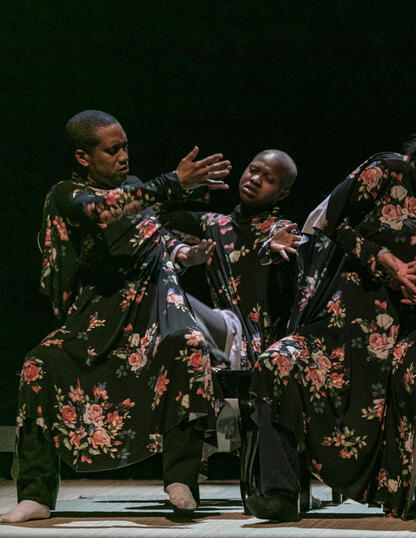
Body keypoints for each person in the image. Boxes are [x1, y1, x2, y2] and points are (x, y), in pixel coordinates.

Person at [250, 121, 416, 527]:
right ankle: (278, 492)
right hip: (347, 313)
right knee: (277, 361)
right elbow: (331, 223)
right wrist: (382, 259)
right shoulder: (385, 172)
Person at [0, 110, 232, 523]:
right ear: (83, 156)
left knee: (189, 348)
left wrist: (186, 254)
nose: (124, 155)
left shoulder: (136, 191)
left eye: (126, 145)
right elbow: (105, 212)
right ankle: (36, 492)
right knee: (39, 362)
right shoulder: (66, 194)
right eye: (113, 149)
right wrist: (171, 183)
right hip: (96, 319)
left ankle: (181, 479)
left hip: (151, 320)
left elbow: (152, 240)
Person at [164, 149, 300, 370]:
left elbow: (289, 239)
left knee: (169, 296)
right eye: (253, 170)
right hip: (225, 333)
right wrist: (181, 185)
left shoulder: (280, 230)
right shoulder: (214, 226)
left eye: (269, 179)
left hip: (257, 351)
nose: (255, 180)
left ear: (282, 194)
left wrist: (273, 249)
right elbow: (149, 218)